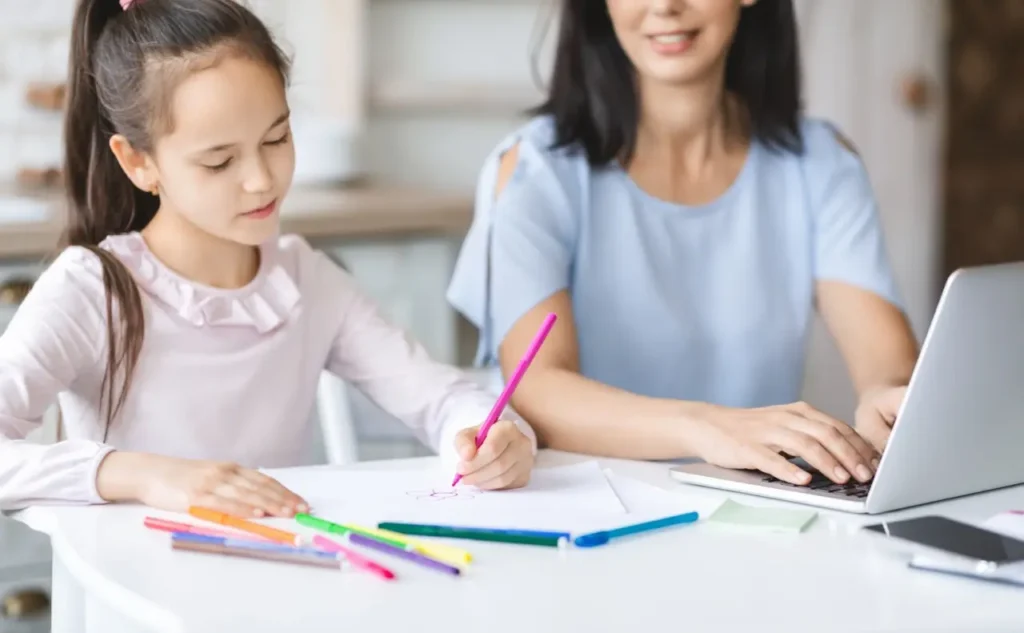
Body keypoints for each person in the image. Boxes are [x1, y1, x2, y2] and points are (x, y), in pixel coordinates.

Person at [0, 0, 536, 514]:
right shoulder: (93, 289)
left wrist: (489, 437)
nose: (261, 181)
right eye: (219, 162)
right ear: (139, 163)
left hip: (273, 580)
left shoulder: (308, 281)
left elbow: (441, 398)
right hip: (137, 594)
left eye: (276, 138)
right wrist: (147, 475)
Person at [447, 0, 919, 487]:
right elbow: (538, 389)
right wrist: (706, 427)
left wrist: (890, 401)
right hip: (583, 507)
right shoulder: (535, 171)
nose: (665, 7)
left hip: (756, 512)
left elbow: (887, 369)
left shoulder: (822, 163)